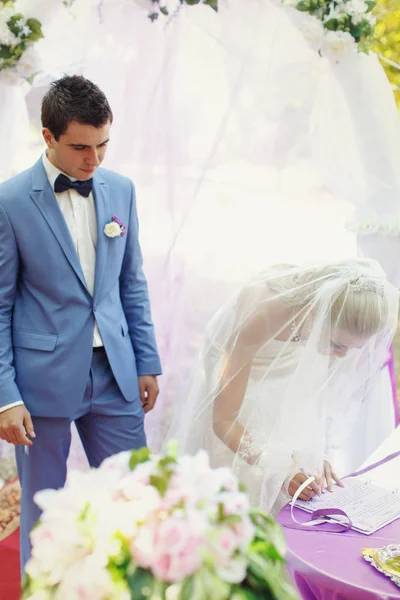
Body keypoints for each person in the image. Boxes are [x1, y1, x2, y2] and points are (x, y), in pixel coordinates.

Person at [0, 75, 161, 571]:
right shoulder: (8, 202)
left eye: (103, 145)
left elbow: (130, 282)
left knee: (137, 499)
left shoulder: (122, 190)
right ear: (47, 137)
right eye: (81, 148)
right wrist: (6, 396)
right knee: (45, 512)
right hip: (40, 379)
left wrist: (147, 360)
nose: (94, 160)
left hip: (115, 371)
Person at [169, 258, 398, 515]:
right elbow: (224, 421)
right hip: (238, 358)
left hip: (289, 354)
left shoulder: (342, 321)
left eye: (353, 348)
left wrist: (314, 454)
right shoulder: (263, 315)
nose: (343, 356)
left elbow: (314, 395)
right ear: (315, 312)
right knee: (243, 452)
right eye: (337, 345)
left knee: (292, 440)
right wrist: (277, 471)